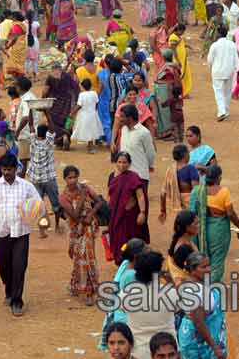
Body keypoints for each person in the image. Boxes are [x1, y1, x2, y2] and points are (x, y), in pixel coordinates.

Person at [0, 154, 41, 317]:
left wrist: (38, 219)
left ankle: (17, 301)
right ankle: (9, 289)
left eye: (10, 169)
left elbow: (37, 204)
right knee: (4, 265)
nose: (6, 172)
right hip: (1, 233)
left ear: (16, 169)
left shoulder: (26, 186)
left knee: (20, 267)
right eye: (4, 169)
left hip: (21, 232)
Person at [189, 163, 239, 284]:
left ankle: (202, 286)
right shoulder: (223, 192)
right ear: (219, 178)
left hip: (200, 230)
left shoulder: (197, 191)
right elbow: (231, 214)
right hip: (218, 232)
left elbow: (192, 212)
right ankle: (211, 287)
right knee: (217, 261)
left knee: (203, 259)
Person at [176, 252, 228, 359]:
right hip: (199, 343)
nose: (208, 269)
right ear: (193, 270)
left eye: (208, 265)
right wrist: (215, 347)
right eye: (203, 267)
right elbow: (199, 323)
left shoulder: (195, 284)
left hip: (201, 340)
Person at [57, 165, 100, 305]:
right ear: (64, 179)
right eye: (69, 178)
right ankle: (75, 284)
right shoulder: (63, 197)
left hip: (89, 227)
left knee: (87, 257)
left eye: (75, 177)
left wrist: (91, 215)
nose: (73, 180)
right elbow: (74, 215)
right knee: (77, 257)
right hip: (76, 229)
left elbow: (99, 202)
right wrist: (82, 197)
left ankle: (90, 291)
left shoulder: (86, 187)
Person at [105, 151, 150, 264]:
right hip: (115, 215)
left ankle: (132, 262)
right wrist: (107, 214)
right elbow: (109, 195)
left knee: (130, 239)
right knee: (117, 238)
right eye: (119, 162)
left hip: (130, 216)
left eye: (125, 162)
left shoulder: (133, 177)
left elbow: (140, 196)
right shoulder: (112, 176)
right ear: (115, 162)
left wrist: (142, 212)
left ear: (129, 164)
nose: (122, 165)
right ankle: (121, 262)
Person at [26, 112, 63, 236]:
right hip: (49, 178)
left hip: (35, 179)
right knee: (56, 204)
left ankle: (42, 230)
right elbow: (52, 129)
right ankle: (57, 226)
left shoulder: (33, 141)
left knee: (40, 206)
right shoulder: (49, 142)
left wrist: (30, 110)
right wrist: (47, 112)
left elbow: (30, 125)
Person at [115, 104, 155, 184]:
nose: (120, 119)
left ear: (130, 118)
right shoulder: (123, 130)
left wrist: (149, 166)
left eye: (122, 116)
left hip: (140, 176)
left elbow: (150, 154)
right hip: (124, 175)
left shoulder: (143, 132)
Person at [206, 25, 239, 121]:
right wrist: (237, 69)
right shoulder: (232, 44)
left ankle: (222, 111)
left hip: (217, 71)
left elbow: (210, 59)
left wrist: (210, 67)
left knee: (218, 91)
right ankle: (226, 110)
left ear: (219, 34)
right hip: (229, 71)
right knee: (227, 92)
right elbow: (235, 58)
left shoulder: (214, 45)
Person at [71, 79, 103, 152]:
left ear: (82, 86)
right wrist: (94, 110)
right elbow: (97, 103)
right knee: (92, 129)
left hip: (84, 114)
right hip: (93, 113)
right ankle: (90, 144)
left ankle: (91, 146)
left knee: (87, 129)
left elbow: (79, 105)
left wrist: (72, 112)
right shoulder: (94, 93)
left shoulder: (82, 94)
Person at [168, 25, 192, 96]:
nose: (183, 33)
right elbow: (173, 49)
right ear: (179, 30)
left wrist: (186, 46)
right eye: (182, 31)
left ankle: (184, 92)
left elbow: (179, 45)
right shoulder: (173, 37)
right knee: (180, 76)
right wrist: (178, 60)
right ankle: (182, 92)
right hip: (178, 60)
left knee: (184, 75)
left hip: (182, 59)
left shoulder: (178, 37)